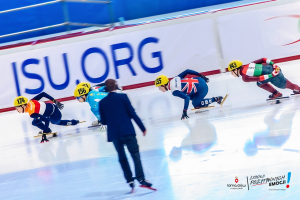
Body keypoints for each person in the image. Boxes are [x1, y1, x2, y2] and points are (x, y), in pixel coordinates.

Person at [99, 79, 153, 190]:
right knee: (135, 154)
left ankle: (130, 181)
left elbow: (103, 121)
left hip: (114, 134)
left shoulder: (102, 103)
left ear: (105, 88)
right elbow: (132, 113)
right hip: (127, 131)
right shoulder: (123, 97)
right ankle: (141, 178)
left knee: (122, 157)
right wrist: (142, 127)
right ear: (116, 86)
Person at [155, 69, 224, 120]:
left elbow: (186, 98)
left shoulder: (174, 91)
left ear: (163, 85)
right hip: (200, 80)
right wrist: (200, 75)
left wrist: (184, 111)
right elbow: (187, 71)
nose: (159, 89)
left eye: (159, 87)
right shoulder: (174, 79)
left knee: (196, 104)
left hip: (202, 88)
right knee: (188, 94)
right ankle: (200, 100)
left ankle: (216, 99)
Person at [14, 92, 79, 143]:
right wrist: (54, 101)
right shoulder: (31, 101)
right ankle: (48, 131)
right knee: (35, 122)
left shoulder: (32, 113)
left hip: (55, 115)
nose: (16, 109)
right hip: (51, 109)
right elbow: (43, 94)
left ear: (23, 105)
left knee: (58, 122)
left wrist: (44, 135)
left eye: (17, 107)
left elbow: (46, 121)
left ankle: (73, 122)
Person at [228, 58, 300, 99]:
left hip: (274, 75)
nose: (231, 73)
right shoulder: (249, 65)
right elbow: (263, 59)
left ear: (236, 69)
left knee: (287, 85)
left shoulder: (245, 77)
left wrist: (271, 75)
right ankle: (276, 93)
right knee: (259, 84)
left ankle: (297, 89)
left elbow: (260, 78)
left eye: (232, 71)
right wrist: (273, 64)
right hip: (274, 68)